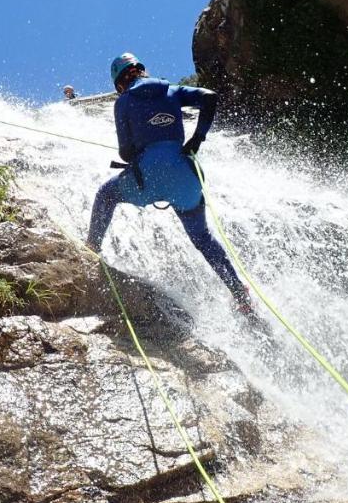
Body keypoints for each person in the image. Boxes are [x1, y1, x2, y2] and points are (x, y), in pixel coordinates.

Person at [86, 52, 252, 314]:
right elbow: (209, 97)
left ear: (119, 84)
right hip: (185, 176)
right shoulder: (172, 90)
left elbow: (125, 153)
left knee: (107, 195)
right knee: (202, 237)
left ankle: (91, 249)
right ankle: (239, 293)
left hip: (147, 177)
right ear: (142, 70)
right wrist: (197, 139)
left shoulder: (123, 102)